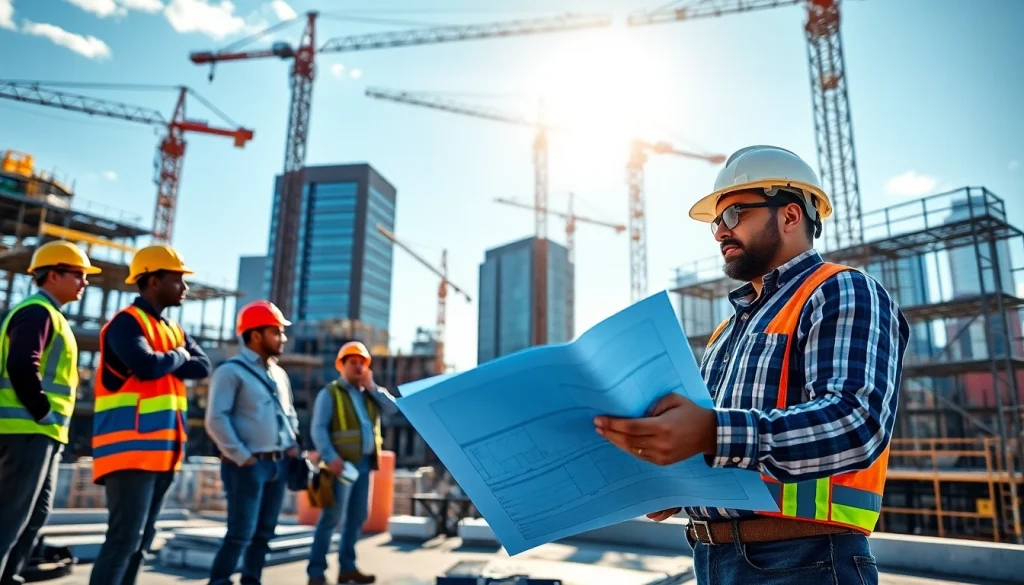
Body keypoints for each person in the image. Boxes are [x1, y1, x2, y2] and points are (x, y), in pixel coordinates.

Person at [594, 145, 910, 585]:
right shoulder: (728, 331)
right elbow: (723, 444)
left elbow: (856, 422)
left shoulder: (842, 290)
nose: (720, 232)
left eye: (734, 214)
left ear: (791, 215)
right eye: (714, 223)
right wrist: (674, 478)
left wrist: (709, 432)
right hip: (713, 558)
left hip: (807, 562)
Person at [89, 245, 211, 585]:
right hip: (129, 453)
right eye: (178, 280)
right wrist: (177, 355)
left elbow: (203, 366)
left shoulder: (173, 329)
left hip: (163, 454)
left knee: (140, 543)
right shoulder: (125, 324)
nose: (185, 288)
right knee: (123, 541)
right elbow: (145, 366)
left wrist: (170, 356)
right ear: (153, 281)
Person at [0, 241, 101, 584]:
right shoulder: (37, 312)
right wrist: (42, 412)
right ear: (54, 275)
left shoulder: (50, 315)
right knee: (10, 519)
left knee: (33, 516)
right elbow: (21, 364)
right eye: (79, 275)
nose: (85, 283)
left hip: (42, 433)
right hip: (27, 430)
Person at [204, 300, 300, 585]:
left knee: (264, 533)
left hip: (278, 464)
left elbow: (289, 413)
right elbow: (216, 419)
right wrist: (241, 455)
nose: (282, 338)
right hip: (246, 465)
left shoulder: (280, 375)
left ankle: (251, 581)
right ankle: (219, 581)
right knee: (240, 533)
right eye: (276, 332)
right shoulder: (229, 371)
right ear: (256, 335)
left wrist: (292, 443)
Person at [306, 341, 399, 585]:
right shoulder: (331, 393)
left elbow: (393, 409)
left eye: (362, 363)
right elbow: (318, 429)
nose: (358, 367)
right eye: (353, 363)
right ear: (341, 366)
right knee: (331, 518)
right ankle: (316, 572)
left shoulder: (369, 394)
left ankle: (347, 568)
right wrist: (330, 457)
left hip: (365, 465)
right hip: (340, 467)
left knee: (358, 517)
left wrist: (373, 387)